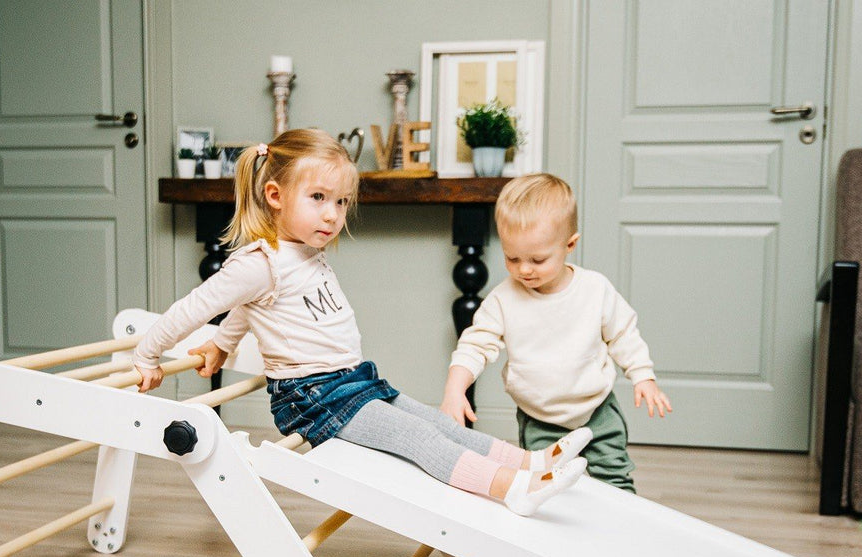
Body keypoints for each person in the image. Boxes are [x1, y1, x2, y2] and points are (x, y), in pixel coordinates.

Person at [133, 129, 589, 516]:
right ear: (274, 196)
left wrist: (222, 345)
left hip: (352, 381)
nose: (333, 215)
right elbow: (195, 307)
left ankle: (529, 463)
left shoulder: (304, 252)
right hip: (314, 398)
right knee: (416, 438)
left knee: (437, 423)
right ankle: (511, 489)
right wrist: (148, 353)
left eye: (341, 202)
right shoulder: (260, 261)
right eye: (318, 198)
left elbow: (250, 308)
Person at [441, 173, 672, 493]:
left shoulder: (594, 290)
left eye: (537, 259)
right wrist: (456, 388)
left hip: (597, 410)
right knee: (547, 488)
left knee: (615, 479)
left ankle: (617, 537)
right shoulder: (503, 300)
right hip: (540, 420)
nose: (524, 269)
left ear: (570, 244)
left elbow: (623, 334)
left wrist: (642, 374)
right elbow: (475, 346)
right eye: (512, 258)